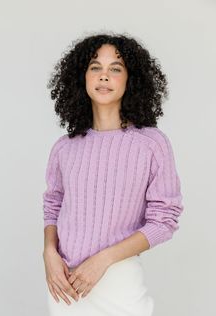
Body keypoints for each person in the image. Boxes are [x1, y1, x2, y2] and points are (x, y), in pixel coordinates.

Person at [42, 32, 184, 316]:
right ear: (81, 78)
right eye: (95, 67)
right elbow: (53, 206)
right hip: (65, 286)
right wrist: (48, 253)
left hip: (120, 283)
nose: (104, 76)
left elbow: (164, 220)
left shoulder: (151, 143)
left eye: (115, 69)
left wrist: (103, 260)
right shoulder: (64, 148)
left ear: (131, 80)